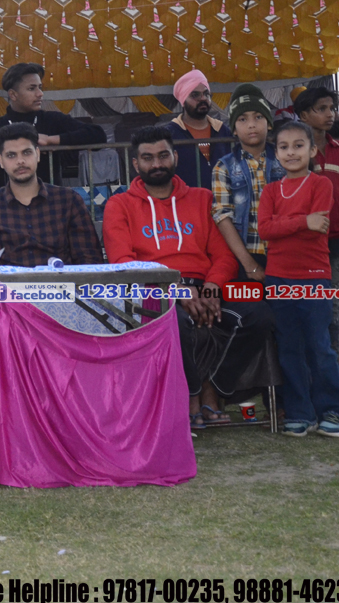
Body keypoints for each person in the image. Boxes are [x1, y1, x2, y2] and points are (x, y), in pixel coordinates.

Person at [103, 126, 272, 429]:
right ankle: (191, 394)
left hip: (206, 287)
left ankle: (214, 388)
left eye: (163, 155)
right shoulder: (119, 204)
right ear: (136, 164)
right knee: (175, 321)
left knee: (259, 315)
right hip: (155, 291)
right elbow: (122, 263)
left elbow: (223, 255)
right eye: (148, 158)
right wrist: (176, 290)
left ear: (175, 157)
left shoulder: (202, 198)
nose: (157, 163)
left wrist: (212, 288)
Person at [258, 121, 339, 437]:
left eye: (298, 145)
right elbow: (265, 229)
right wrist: (303, 221)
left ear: (312, 150)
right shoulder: (271, 191)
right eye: (283, 147)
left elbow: (317, 227)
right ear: (275, 154)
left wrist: (284, 224)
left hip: (314, 278)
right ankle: (301, 413)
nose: (291, 152)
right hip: (278, 279)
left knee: (319, 347)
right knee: (289, 349)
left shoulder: (321, 184)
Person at [0, 123, 103, 267]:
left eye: (27, 152)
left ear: (37, 154)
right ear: (1, 161)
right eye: (11, 155)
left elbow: (89, 261)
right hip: (7, 282)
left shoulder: (68, 201)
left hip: (63, 280)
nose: (20, 161)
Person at [294, 87, 339, 348]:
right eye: (321, 109)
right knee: (307, 304)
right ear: (303, 115)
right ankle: (310, 364)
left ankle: (330, 366)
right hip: (304, 241)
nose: (330, 114)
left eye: (332, 108)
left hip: (338, 239)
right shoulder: (294, 151)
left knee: (332, 305)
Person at [0, 62, 106, 188]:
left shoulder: (52, 119)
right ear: (13, 94)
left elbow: (97, 134)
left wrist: (52, 140)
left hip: (48, 197)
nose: (40, 93)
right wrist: (31, 138)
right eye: (31, 88)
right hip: (7, 198)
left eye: (40, 87)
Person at [211, 84, 286, 282]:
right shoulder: (224, 167)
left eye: (258, 117)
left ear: (269, 123)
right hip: (246, 256)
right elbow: (222, 217)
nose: (251, 125)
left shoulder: (285, 160)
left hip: (286, 253)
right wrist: (249, 264)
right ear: (234, 129)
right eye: (243, 119)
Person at [168, 69, 232, 189]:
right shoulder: (170, 134)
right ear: (183, 101)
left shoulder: (222, 130)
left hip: (222, 198)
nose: (203, 98)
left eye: (206, 94)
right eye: (195, 95)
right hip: (185, 199)